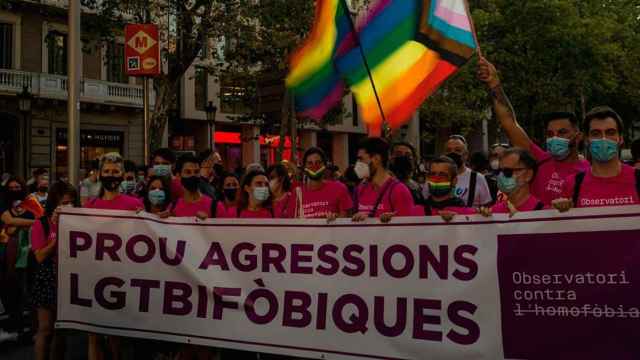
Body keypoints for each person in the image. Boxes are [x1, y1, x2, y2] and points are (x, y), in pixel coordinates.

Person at [478, 57, 590, 205]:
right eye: (550, 134)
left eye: (562, 132)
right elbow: (509, 123)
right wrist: (494, 84)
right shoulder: (539, 160)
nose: (555, 138)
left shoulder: (589, 172)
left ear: (578, 136)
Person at [84, 153, 143, 360]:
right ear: (99, 174)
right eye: (107, 171)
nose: (111, 175)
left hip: (122, 276)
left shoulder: (134, 204)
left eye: (115, 172)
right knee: (93, 334)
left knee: (115, 335)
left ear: (122, 175)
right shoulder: (89, 206)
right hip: (94, 275)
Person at [554, 107, 640, 211]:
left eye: (610, 132)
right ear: (586, 140)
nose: (603, 138)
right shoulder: (572, 184)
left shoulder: (637, 178)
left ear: (620, 138)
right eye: (596, 133)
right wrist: (559, 211)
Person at [31, 181, 78, 360]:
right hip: (49, 276)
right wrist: (57, 229)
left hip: (69, 275)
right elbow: (40, 256)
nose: (68, 206)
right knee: (46, 329)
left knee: (61, 330)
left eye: (71, 202)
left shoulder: (78, 222)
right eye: (64, 203)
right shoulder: (41, 224)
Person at [0, 177, 36, 343]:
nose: (15, 189)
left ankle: (29, 325)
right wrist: (31, 223)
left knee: (28, 287)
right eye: (11, 187)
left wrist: (18, 225)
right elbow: (9, 223)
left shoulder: (31, 202)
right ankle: (17, 322)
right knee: (11, 286)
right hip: (9, 252)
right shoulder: (3, 204)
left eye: (17, 187)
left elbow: (42, 219)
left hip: (30, 250)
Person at [352, 137, 415, 223]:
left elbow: (408, 230)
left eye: (361, 159)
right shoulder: (360, 189)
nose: (357, 164)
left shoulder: (399, 191)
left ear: (376, 159)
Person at [480, 148, 546, 217]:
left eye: (507, 171)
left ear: (528, 175)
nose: (501, 175)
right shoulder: (492, 212)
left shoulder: (547, 214)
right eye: (498, 171)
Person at [430, 135, 492, 207]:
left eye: (457, 150)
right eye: (448, 150)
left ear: (466, 155)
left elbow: (487, 208)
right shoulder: (433, 177)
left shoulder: (478, 178)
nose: (452, 153)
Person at [291, 147, 352, 219]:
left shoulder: (339, 188)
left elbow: (346, 221)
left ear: (325, 165)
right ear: (304, 168)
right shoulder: (297, 193)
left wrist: (336, 218)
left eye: (318, 162)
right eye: (310, 163)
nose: (314, 166)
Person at [171, 153, 221, 220]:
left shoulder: (216, 206)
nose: (193, 175)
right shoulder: (173, 207)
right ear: (179, 176)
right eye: (188, 172)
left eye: (196, 172)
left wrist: (208, 223)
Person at [390, 141, 425, 206]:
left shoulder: (416, 186)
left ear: (414, 160)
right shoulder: (382, 184)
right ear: (390, 158)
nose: (403, 157)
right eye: (398, 154)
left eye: (408, 155)